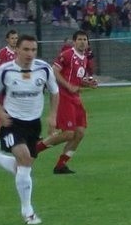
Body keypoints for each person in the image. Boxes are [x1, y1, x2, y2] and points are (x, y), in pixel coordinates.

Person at [0, 34, 59, 225]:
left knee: (23, 166)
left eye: (33, 50)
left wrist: (52, 116)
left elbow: (55, 91)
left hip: (33, 124)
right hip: (12, 123)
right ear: (17, 50)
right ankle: (28, 212)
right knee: (24, 160)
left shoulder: (43, 69)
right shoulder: (6, 71)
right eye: (26, 49)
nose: (30, 54)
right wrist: (0, 113)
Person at [36, 30, 98, 174]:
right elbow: (54, 70)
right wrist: (68, 85)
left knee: (80, 133)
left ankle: (61, 165)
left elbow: (77, 79)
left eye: (85, 39)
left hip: (76, 98)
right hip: (64, 97)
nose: (83, 42)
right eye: (80, 39)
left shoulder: (84, 58)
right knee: (68, 134)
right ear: (74, 41)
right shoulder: (67, 54)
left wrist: (88, 84)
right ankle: (36, 149)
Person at [0, 30, 19, 144]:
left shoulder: (19, 52)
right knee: (0, 111)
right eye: (12, 38)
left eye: (16, 38)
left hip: (16, 88)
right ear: (7, 39)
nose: (15, 40)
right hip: (4, 88)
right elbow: (0, 69)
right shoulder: (3, 52)